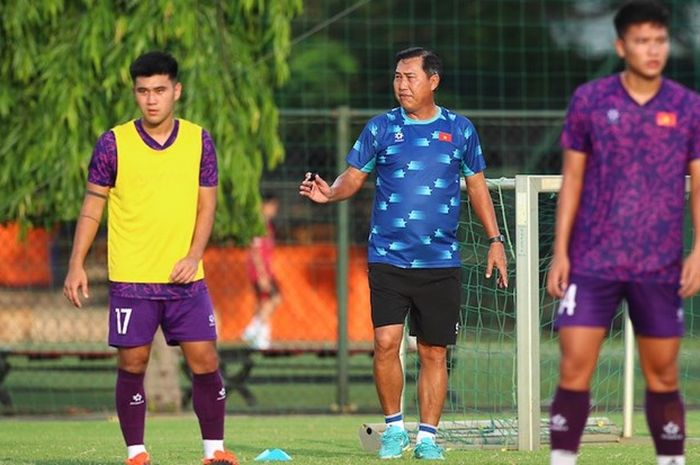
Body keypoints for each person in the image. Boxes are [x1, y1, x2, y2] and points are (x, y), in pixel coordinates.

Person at [300, 47, 508, 460]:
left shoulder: (460, 130)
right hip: (388, 258)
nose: (401, 84)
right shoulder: (380, 129)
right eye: (397, 76)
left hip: (441, 261)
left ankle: (427, 438)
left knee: (433, 351)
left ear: (433, 81)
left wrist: (494, 240)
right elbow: (352, 177)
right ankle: (394, 429)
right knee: (384, 342)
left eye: (410, 76)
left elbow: (479, 186)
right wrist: (331, 193)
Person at [63, 51, 238, 465]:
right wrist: (75, 263)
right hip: (132, 279)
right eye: (143, 91)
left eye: (160, 90)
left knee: (205, 360)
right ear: (135, 94)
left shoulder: (199, 140)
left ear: (176, 91)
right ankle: (136, 452)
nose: (152, 99)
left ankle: (214, 452)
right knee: (133, 362)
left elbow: (207, 207)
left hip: (186, 280)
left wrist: (194, 253)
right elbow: (93, 205)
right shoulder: (113, 143)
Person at [546, 2, 700, 465]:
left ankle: (669, 460)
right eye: (641, 41)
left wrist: (699, 250)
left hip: (659, 262)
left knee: (663, 374)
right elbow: (572, 179)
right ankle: (562, 459)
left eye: (659, 41)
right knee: (574, 366)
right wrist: (560, 251)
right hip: (592, 260)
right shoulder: (590, 100)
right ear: (621, 46)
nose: (652, 50)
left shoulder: (688, 106)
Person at [242, 193, 282, 349]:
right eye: (272, 206)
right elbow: (256, 251)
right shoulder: (258, 225)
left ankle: (260, 335)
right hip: (259, 271)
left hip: (265, 270)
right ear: (264, 206)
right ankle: (253, 329)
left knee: (263, 301)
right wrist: (261, 274)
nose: (274, 210)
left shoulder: (268, 225)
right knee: (275, 297)